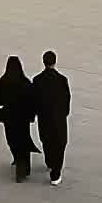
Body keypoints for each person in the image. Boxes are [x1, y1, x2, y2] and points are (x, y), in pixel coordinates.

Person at [0, 56, 39, 182]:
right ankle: (24, 169)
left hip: (9, 118)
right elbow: (32, 101)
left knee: (12, 140)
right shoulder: (25, 82)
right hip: (22, 119)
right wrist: (31, 116)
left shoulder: (3, 81)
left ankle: (17, 159)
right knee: (24, 141)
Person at [32, 51, 71, 186]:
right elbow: (67, 99)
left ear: (43, 62)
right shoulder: (62, 79)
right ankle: (56, 173)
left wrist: (36, 113)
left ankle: (49, 162)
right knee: (60, 144)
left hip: (44, 119)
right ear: (55, 61)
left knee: (47, 141)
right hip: (58, 119)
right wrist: (64, 113)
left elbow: (34, 100)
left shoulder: (37, 80)